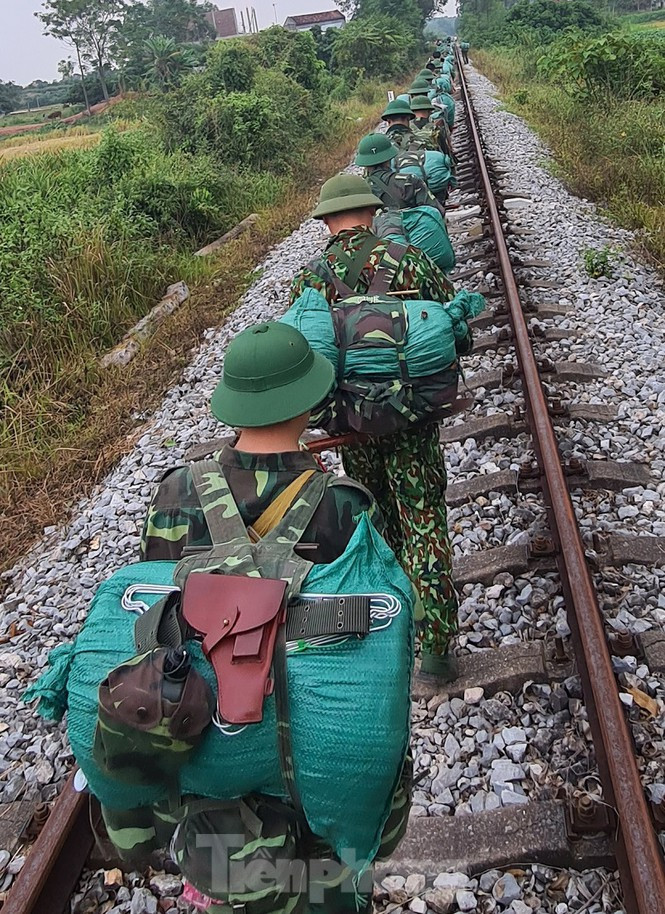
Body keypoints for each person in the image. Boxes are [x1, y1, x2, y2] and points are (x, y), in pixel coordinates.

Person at [139, 321, 410, 914]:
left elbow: (155, 613)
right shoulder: (343, 505)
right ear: (308, 402)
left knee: (234, 886)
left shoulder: (175, 494)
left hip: (209, 744)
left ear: (233, 405)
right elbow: (377, 642)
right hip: (312, 757)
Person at [290, 174, 469, 683]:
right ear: (371, 213)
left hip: (352, 425)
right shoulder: (409, 259)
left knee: (378, 517)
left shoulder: (311, 279)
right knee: (425, 517)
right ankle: (436, 650)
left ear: (327, 222)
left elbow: (302, 355)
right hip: (410, 418)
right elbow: (454, 325)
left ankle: (396, 624)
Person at [355, 132, 446, 215]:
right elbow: (437, 211)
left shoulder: (360, 192)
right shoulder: (409, 180)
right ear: (390, 158)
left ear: (364, 163)